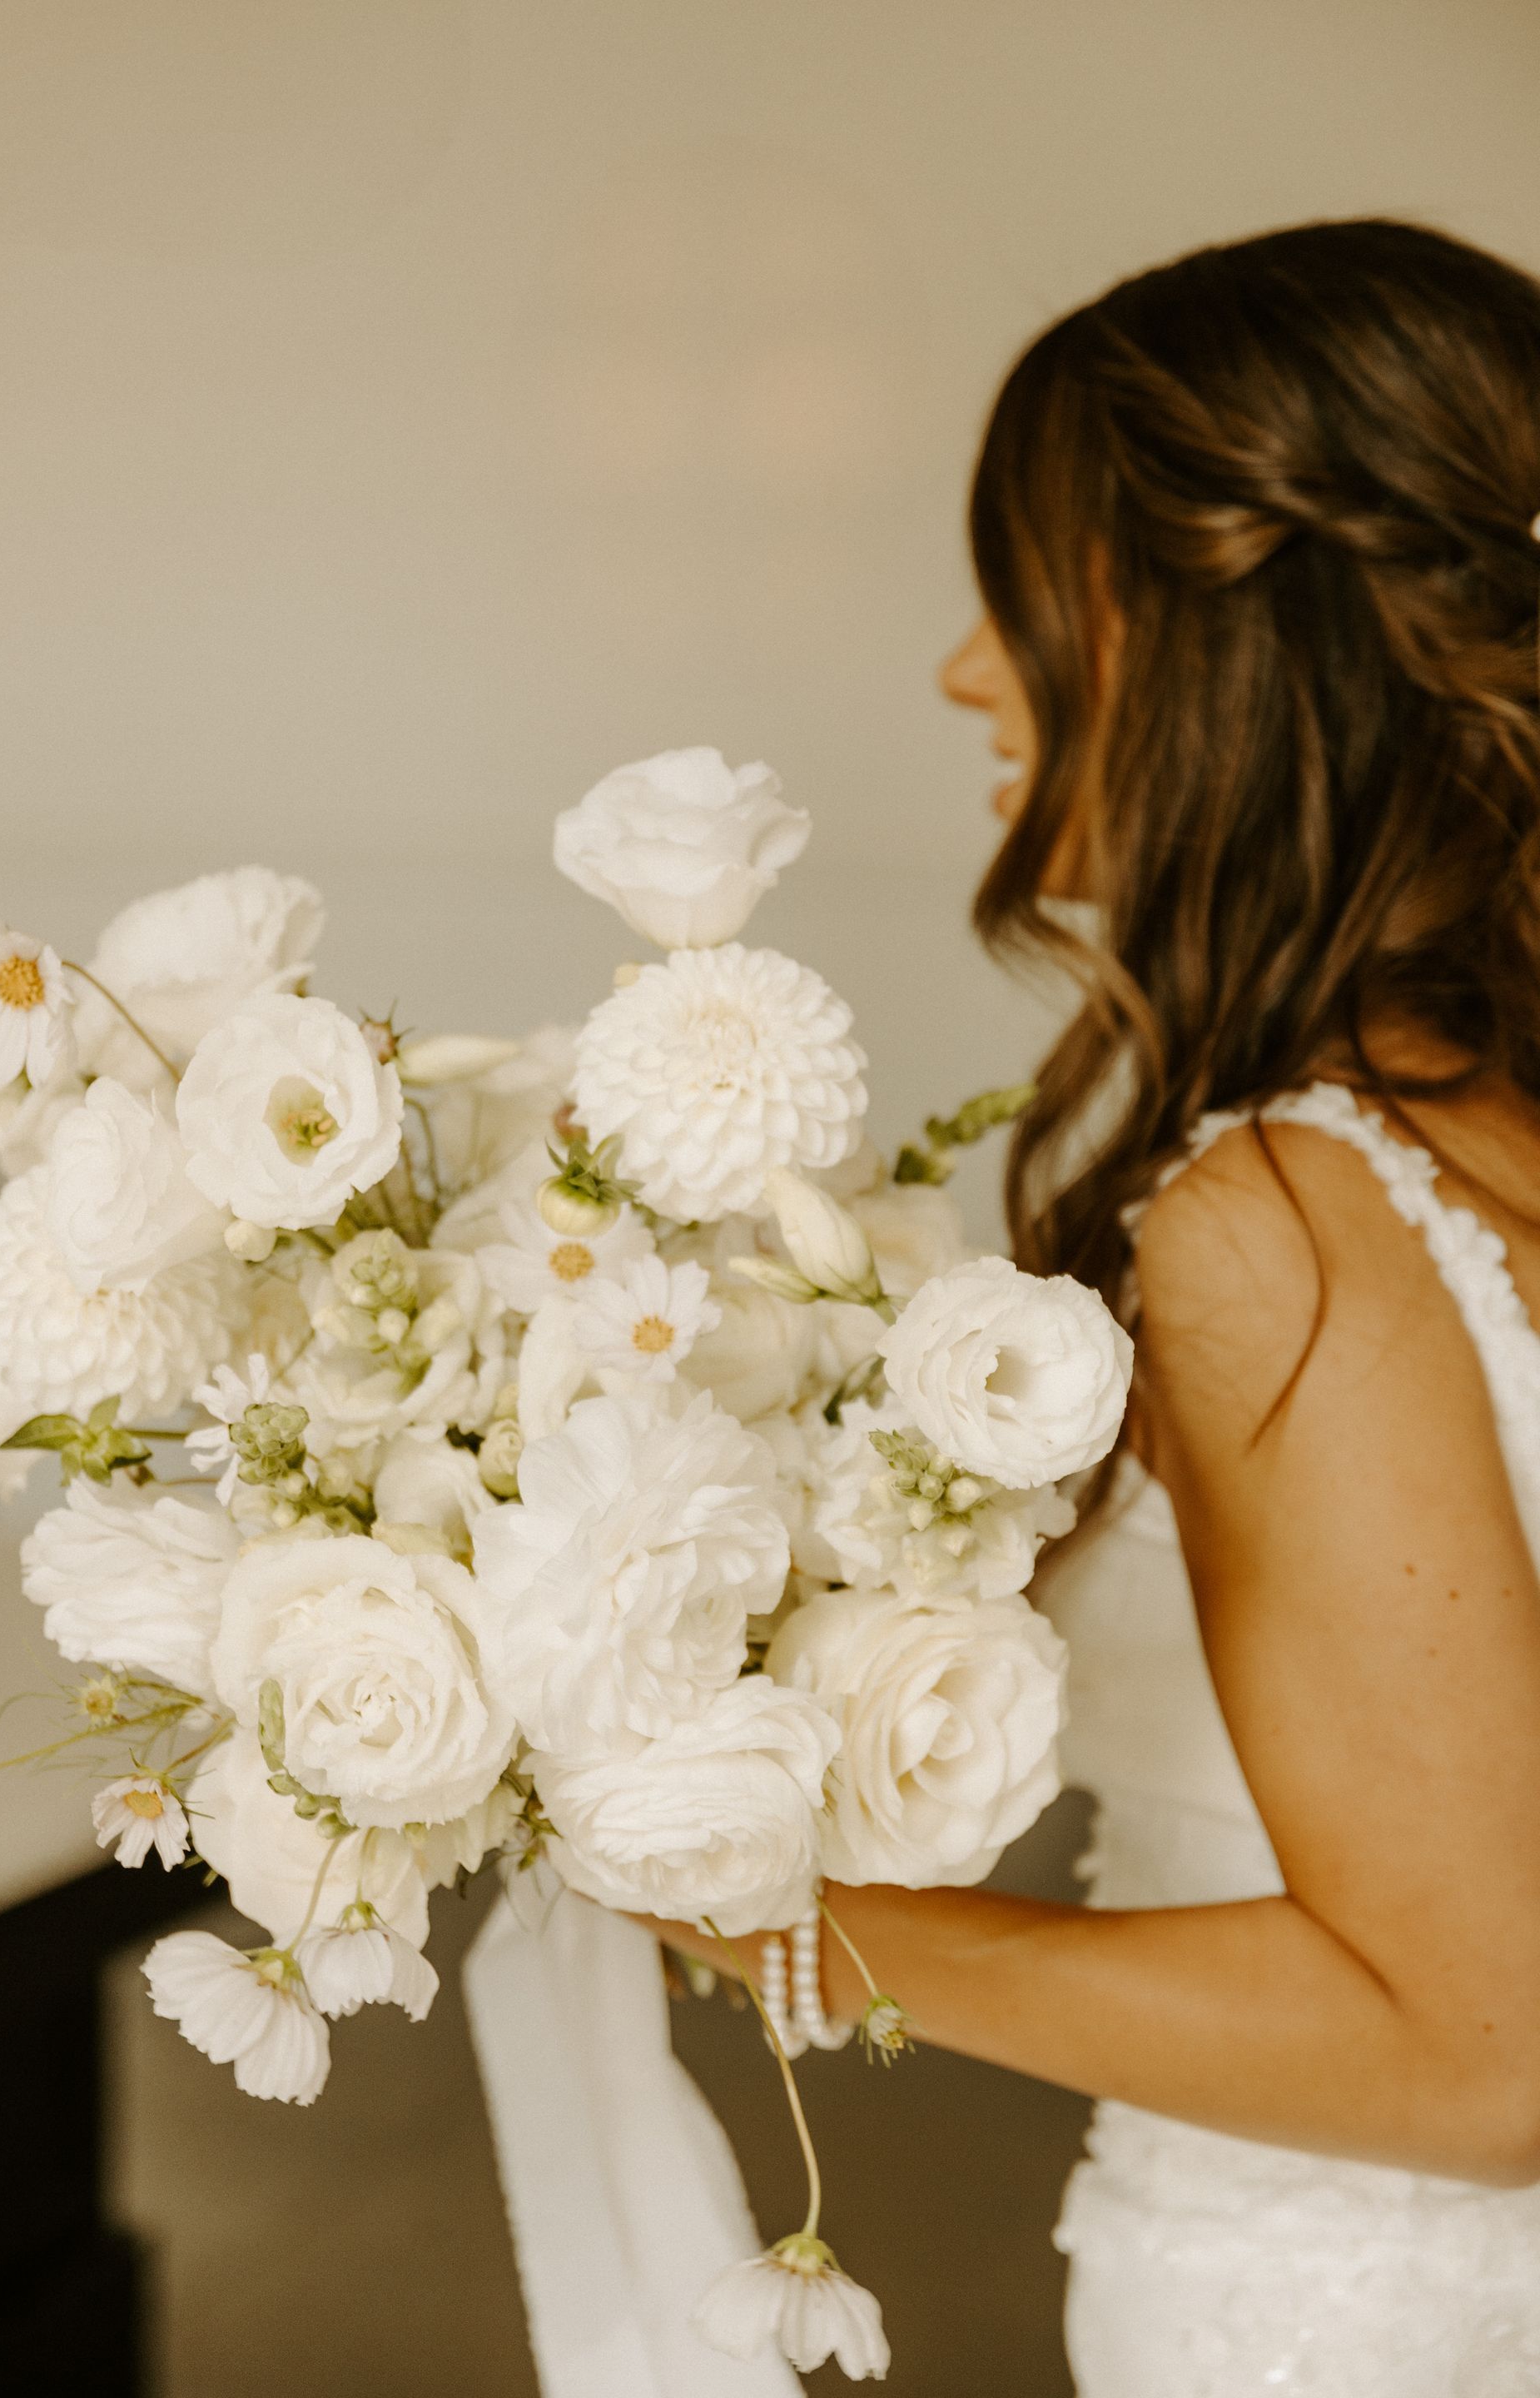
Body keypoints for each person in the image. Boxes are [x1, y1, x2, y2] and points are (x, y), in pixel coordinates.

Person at [656, 220, 1540, 2393]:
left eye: (1038, 584)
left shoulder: (1298, 1224)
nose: (974, 668)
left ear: (1246, 639)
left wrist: (762, 1917)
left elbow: (1482, 2050)